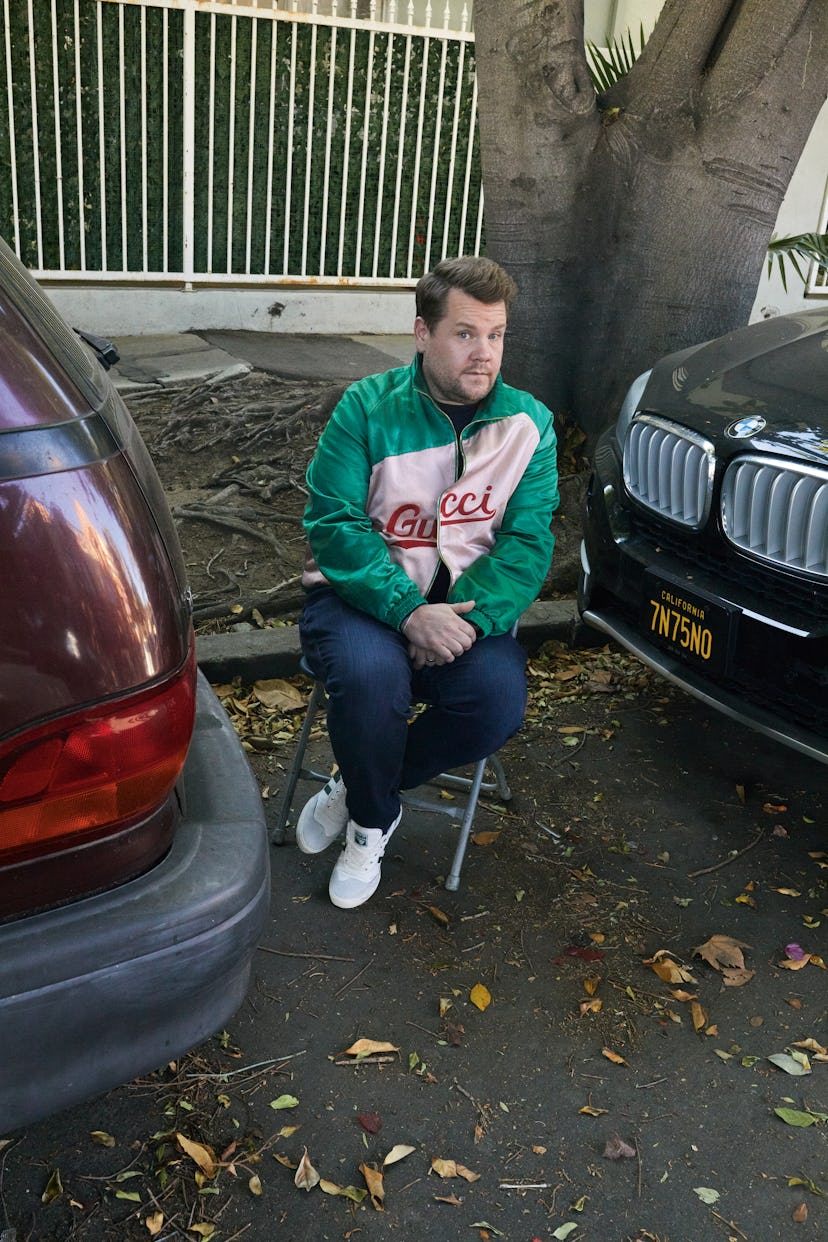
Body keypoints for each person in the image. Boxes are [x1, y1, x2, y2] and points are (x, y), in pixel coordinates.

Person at [296, 255, 559, 909]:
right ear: (423, 333)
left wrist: (463, 622)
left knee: (496, 702)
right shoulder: (365, 408)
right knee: (369, 678)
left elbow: (529, 544)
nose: (484, 354)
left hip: (467, 611)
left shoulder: (530, 427)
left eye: (496, 336)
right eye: (466, 334)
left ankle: (358, 789)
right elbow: (333, 524)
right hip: (359, 598)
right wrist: (410, 612)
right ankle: (371, 826)